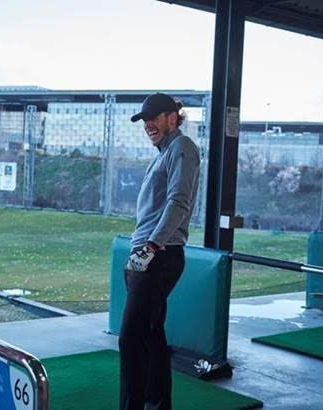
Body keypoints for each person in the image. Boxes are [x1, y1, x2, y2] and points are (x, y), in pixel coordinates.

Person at [119, 93, 200, 410]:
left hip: (158, 257)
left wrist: (151, 247)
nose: (148, 124)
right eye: (144, 120)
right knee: (151, 335)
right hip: (148, 256)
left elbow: (179, 202)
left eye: (154, 118)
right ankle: (158, 404)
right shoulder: (165, 151)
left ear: (172, 117)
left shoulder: (182, 148)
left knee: (131, 340)